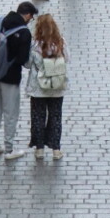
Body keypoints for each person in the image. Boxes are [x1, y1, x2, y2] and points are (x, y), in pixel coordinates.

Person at [0, 1, 37, 159]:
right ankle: (9, 149)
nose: (31, 20)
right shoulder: (24, 33)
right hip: (11, 77)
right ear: (27, 15)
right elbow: (23, 60)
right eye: (31, 17)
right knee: (10, 113)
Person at [25, 13, 67, 161]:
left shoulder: (35, 45)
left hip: (38, 89)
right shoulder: (60, 42)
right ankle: (56, 150)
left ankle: (39, 149)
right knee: (55, 117)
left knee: (38, 117)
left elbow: (28, 64)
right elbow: (66, 59)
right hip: (56, 87)